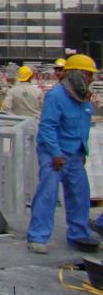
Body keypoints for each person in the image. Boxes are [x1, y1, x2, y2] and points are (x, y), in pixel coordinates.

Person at [26, 53, 98, 254]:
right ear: (76, 74)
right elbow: (48, 127)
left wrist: (82, 151)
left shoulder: (82, 98)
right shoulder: (56, 96)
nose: (91, 79)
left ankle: (78, 234)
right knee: (47, 194)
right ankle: (38, 237)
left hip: (74, 153)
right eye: (87, 75)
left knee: (80, 194)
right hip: (54, 153)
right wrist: (56, 154)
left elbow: (82, 125)